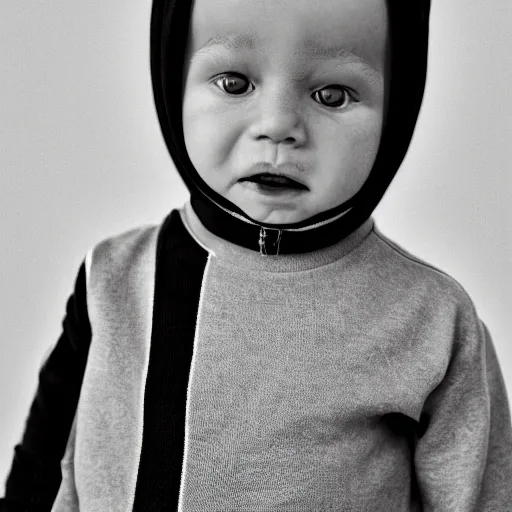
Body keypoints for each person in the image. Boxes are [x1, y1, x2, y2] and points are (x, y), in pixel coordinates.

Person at [2, 0, 511, 510]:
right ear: (172, 79)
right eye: (234, 83)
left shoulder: (433, 319)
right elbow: (36, 477)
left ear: (398, 109)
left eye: (332, 95)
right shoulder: (111, 281)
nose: (277, 125)